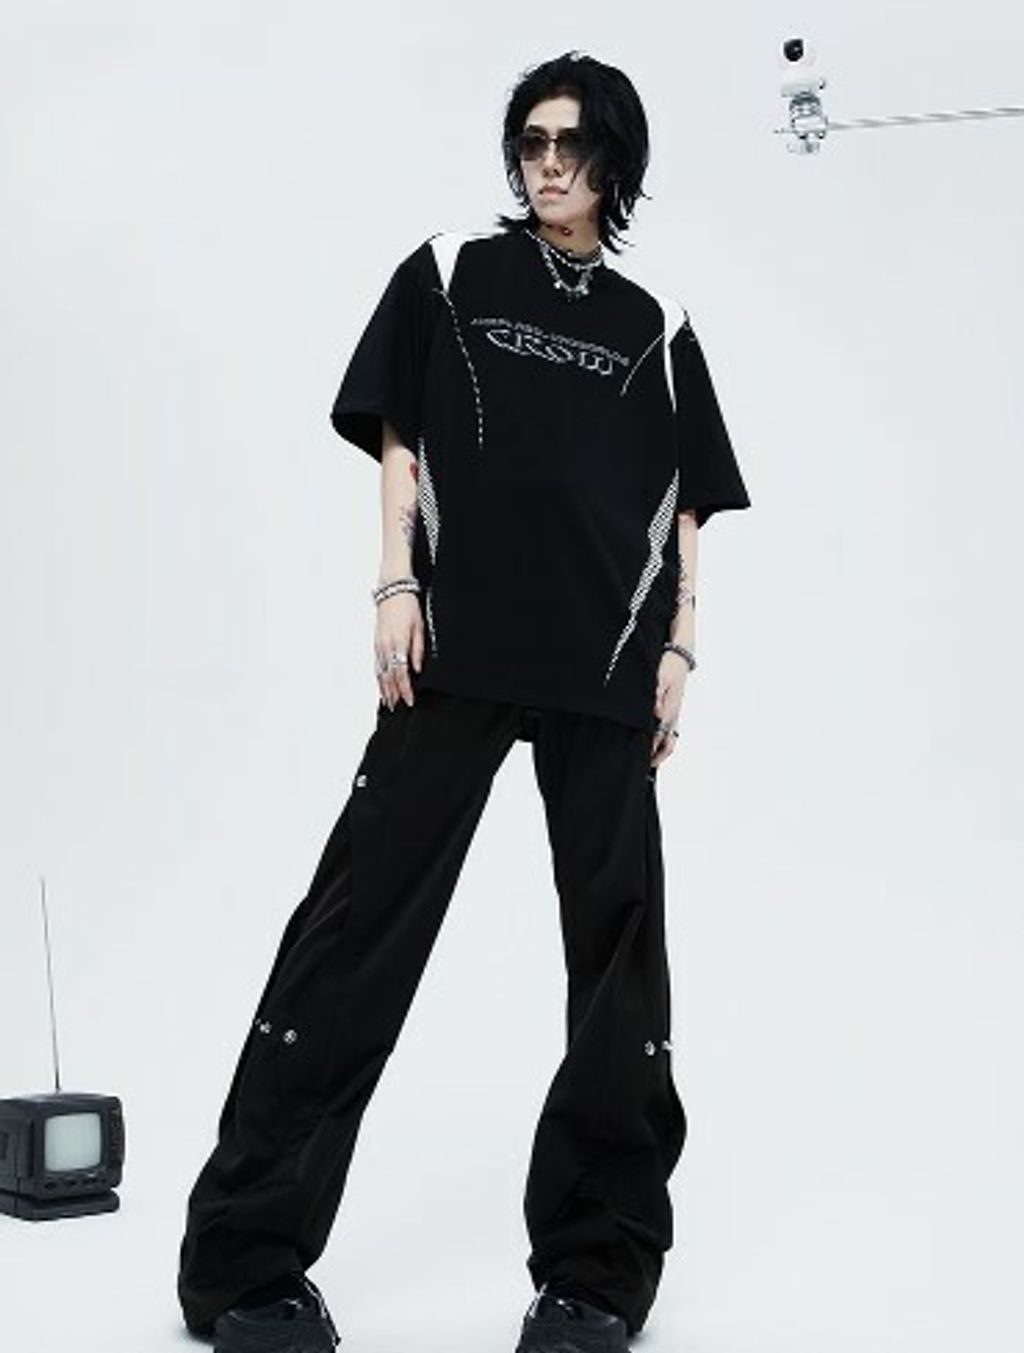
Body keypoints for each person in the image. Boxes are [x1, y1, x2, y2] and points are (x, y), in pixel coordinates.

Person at [176, 49, 750, 1353]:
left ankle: (595, 1276)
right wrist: (394, 582)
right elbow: (399, 432)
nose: (548, 163)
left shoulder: (658, 321)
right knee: (354, 934)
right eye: (532, 141)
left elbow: (688, 498)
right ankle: (244, 1263)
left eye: (573, 143)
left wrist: (681, 645)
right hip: (455, 647)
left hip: (607, 664)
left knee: (620, 976)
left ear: (615, 161)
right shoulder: (450, 271)